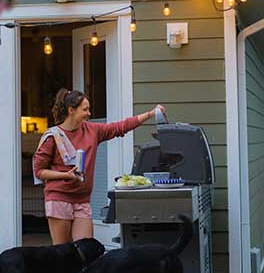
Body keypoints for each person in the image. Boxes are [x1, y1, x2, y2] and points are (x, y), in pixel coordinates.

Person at [33, 88, 165, 244]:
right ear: (71, 110)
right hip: (59, 198)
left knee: (85, 250)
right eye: (85, 109)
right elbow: (39, 171)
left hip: (82, 199)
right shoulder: (52, 137)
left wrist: (150, 114)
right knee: (61, 252)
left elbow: (120, 127)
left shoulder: (92, 131)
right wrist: (65, 175)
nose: (89, 113)